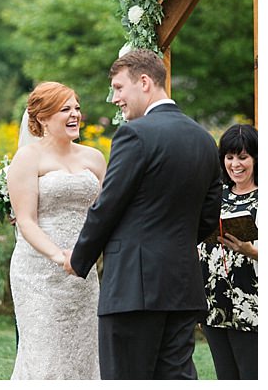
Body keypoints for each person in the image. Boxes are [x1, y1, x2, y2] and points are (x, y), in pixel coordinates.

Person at [65, 49, 222, 379]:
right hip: (181, 286)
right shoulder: (205, 140)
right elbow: (208, 215)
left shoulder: (134, 134)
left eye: (120, 88)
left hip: (132, 289)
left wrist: (79, 258)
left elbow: (107, 206)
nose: (115, 98)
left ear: (145, 82)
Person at [7, 82, 106, 379]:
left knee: (84, 351)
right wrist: (59, 256)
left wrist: (87, 255)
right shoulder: (27, 159)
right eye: (65, 109)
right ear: (42, 119)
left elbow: (104, 213)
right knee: (44, 353)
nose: (75, 114)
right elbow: (25, 221)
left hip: (84, 272)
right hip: (38, 272)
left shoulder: (95, 158)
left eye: (76, 107)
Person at [198, 124, 258, 379]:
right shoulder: (214, 195)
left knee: (252, 375)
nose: (236, 164)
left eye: (243, 157)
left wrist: (251, 251)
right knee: (225, 377)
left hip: (252, 305)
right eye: (230, 157)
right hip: (214, 305)